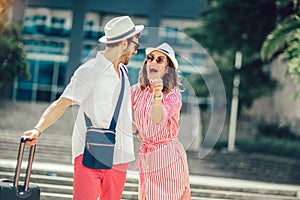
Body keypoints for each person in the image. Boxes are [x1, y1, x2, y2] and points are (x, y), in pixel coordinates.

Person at [22, 15, 144, 200]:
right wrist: (37, 130)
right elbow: (62, 103)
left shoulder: (124, 72)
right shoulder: (89, 71)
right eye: (135, 44)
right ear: (123, 43)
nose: (136, 50)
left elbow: (120, 114)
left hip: (120, 154)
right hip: (90, 151)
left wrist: (138, 131)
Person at [131, 43, 191, 200]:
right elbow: (118, 109)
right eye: (150, 58)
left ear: (167, 68)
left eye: (159, 60)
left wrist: (158, 94)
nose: (153, 62)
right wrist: (137, 130)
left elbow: (157, 119)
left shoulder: (173, 95)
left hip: (167, 158)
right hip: (148, 158)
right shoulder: (137, 90)